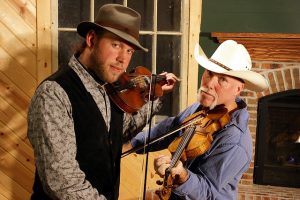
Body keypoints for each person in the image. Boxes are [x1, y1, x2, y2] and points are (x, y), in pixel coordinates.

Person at [27, 4, 178, 200]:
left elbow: (118, 133)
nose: (123, 58)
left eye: (130, 51)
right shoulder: (54, 93)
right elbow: (62, 180)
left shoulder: (109, 86)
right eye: (116, 45)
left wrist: (154, 95)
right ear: (91, 39)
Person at [127, 40, 269, 199]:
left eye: (222, 79)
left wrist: (183, 176)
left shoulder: (235, 141)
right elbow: (167, 130)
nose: (209, 83)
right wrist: (130, 144)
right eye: (209, 72)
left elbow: (208, 192)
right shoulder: (199, 109)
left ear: (238, 89)